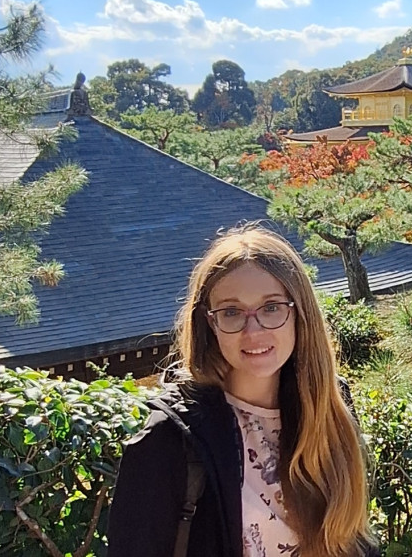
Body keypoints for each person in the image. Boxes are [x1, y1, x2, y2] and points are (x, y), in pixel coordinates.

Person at [107, 225, 377, 557]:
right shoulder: (172, 438)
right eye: (232, 312)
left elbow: (353, 540)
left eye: (272, 307)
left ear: (300, 313)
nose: (254, 330)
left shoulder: (329, 406)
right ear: (210, 323)